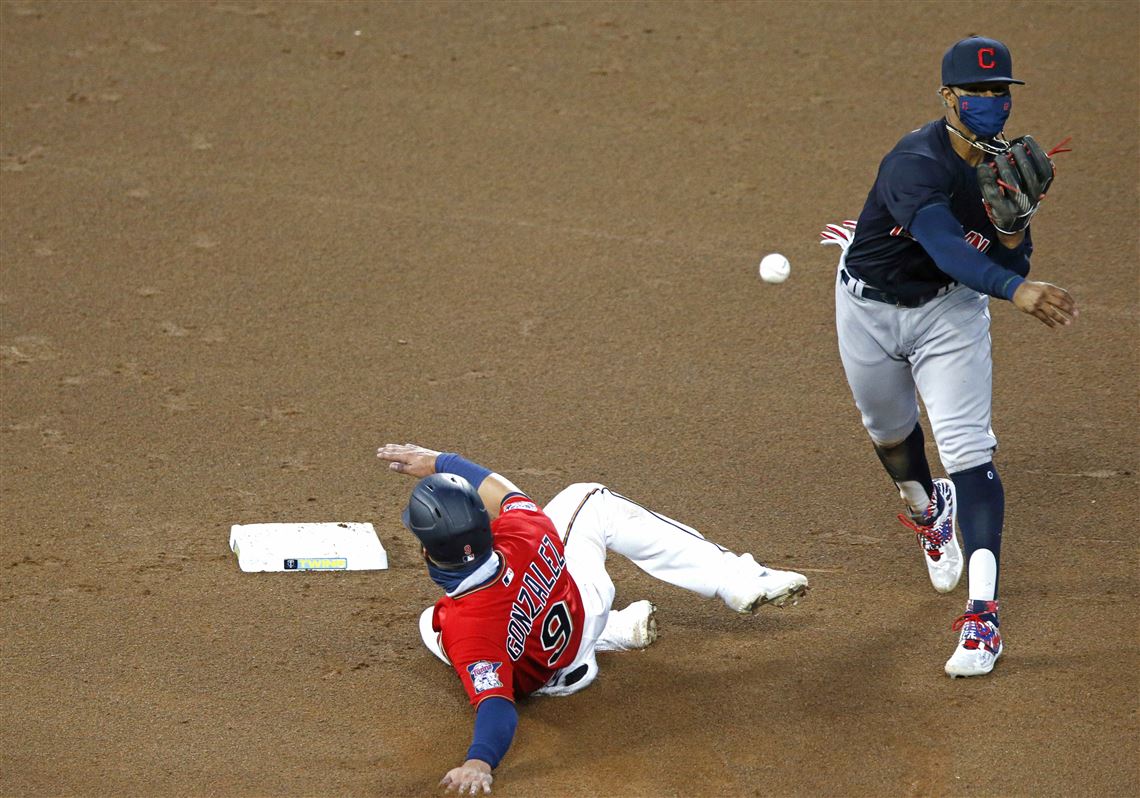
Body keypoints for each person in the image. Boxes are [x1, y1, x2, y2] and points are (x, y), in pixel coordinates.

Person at [822, 36, 1077, 678]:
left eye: (1001, 92)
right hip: (868, 308)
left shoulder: (1004, 170)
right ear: (949, 98)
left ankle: (983, 617)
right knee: (887, 433)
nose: (991, 102)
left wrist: (1017, 228)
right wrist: (1017, 289)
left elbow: (1004, 257)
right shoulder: (913, 162)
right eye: (979, 92)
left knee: (969, 450)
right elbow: (942, 242)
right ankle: (929, 511)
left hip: (951, 312)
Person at [376, 442, 809, 794]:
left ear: (426, 552)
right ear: (485, 527)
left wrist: (479, 761)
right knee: (589, 499)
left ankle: (600, 647)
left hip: (545, 676)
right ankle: (732, 579)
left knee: (431, 624)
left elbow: (496, 705)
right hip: (586, 610)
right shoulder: (527, 530)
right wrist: (441, 461)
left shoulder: (464, 628)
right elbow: (501, 490)